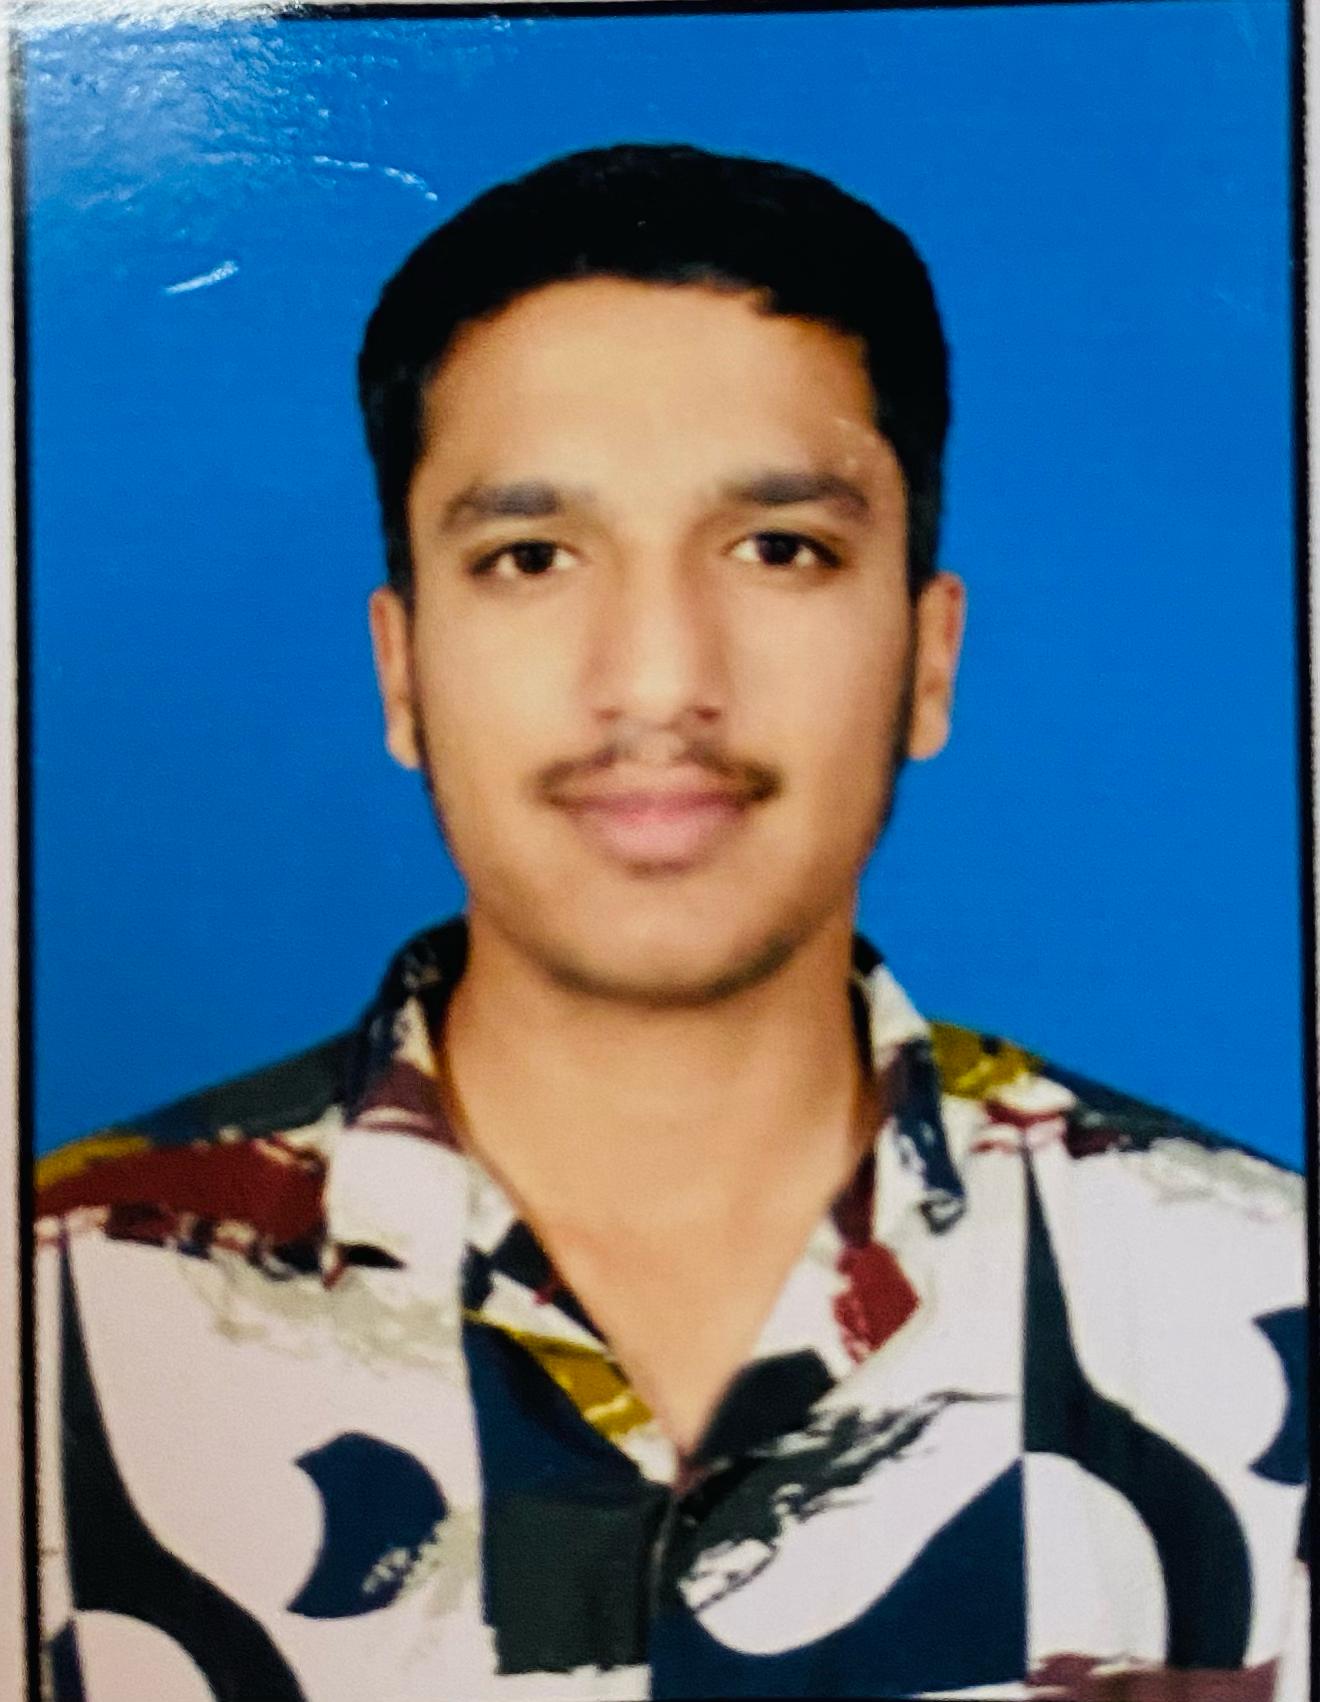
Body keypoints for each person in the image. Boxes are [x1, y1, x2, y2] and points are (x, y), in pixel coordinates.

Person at [35, 143, 1307, 1701]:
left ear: (928, 656)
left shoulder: (1266, 1298)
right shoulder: (57, 1312)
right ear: (400, 668)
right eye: (530, 557)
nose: (655, 678)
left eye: (780, 549)